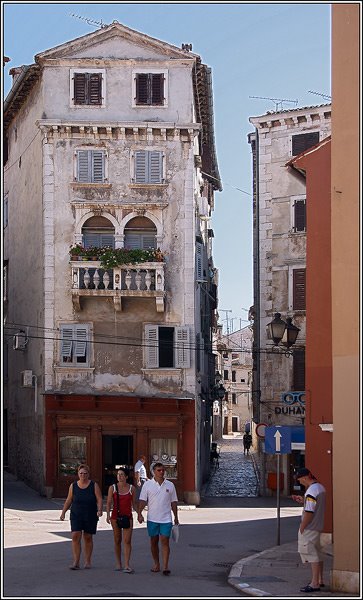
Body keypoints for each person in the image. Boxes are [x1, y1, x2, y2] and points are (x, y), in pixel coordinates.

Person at [137, 462, 179, 576]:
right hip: (152, 519)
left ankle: (165, 566)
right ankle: (156, 563)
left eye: (163, 470)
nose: (161, 472)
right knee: (153, 542)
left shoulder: (170, 485)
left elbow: (174, 502)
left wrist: (176, 517)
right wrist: (139, 513)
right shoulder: (147, 485)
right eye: (159, 470)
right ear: (153, 472)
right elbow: (142, 500)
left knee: (165, 541)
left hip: (166, 519)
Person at [60, 464, 103, 570]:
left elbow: (99, 498)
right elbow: (69, 499)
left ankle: (88, 561)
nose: (83, 475)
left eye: (85, 473)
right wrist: (63, 512)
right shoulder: (73, 486)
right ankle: (76, 562)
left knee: (88, 537)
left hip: (90, 514)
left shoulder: (94, 485)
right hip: (76, 514)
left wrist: (100, 510)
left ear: (88, 474)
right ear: (78, 474)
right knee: (75, 535)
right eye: (81, 473)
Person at [291, 467, 327, 593]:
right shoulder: (320, 488)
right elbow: (314, 506)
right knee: (317, 553)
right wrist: (303, 501)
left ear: (306, 477)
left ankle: (314, 583)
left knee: (311, 554)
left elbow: (309, 512)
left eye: (300, 480)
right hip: (318, 526)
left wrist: (302, 527)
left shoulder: (311, 491)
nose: (300, 483)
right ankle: (320, 580)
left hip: (310, 527)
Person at [106, 468, 137, 573]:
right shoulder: (113, 488)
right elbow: (109, 502)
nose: (119, 476)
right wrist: (108, 515)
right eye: (118, 474)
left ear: (127, 477)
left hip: (128, 516)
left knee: (127, 541)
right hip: (115, 517)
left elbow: (134, 503)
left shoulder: (132, 488)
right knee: (117, 540)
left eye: (122, 474)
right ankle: (118, 563)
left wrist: (140, 514)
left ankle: (127, 564)